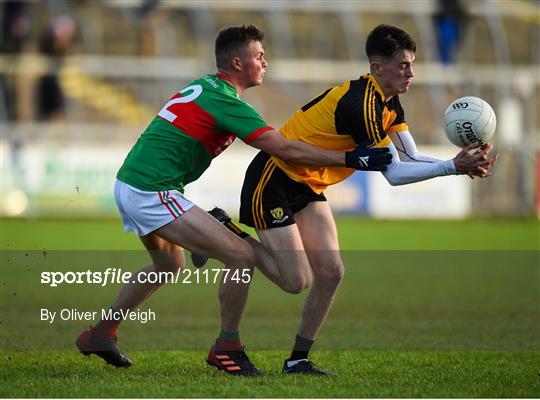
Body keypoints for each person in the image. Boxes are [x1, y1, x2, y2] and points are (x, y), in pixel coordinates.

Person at [75, 25, 392, 376]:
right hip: (151, 190)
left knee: (169, 266)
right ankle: (227, 347)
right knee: (240, 257)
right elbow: (284, 148)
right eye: (259, 57)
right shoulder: (224, 99)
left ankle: (101, 334)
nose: (265, 63)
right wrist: (351, 159)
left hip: (135, 183)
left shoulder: (208, 87)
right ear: (238, 63)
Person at [196, 24, 497, 376]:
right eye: (403, 65)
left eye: (411, 64)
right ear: (377, 67)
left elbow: (410, 157)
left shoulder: (388, 103)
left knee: (332, 273)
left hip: (309, 186)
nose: (411, 73)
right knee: (295, 281)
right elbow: (395, 174)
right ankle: (224, 228)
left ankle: (297, 360)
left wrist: (459, 164)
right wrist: (454, 166)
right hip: (275, 178)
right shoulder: (361, 104)